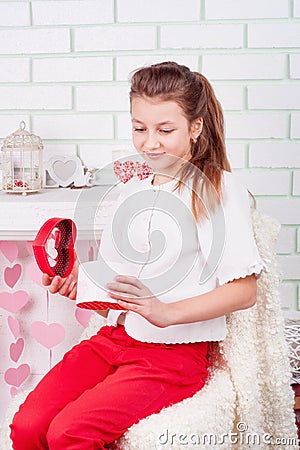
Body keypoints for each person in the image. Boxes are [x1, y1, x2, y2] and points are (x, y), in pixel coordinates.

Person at [10, 62, 265, 449]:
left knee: (69, 433)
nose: (150, 143)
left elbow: (245, 291)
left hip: (173, 355)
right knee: (27, 426)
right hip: (115, 340)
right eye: (139, 128)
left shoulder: (217, 188)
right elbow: (118, 302)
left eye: (165, 130)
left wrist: (167, 312)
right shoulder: (131, 192)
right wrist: (78, 286)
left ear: (195, 127)